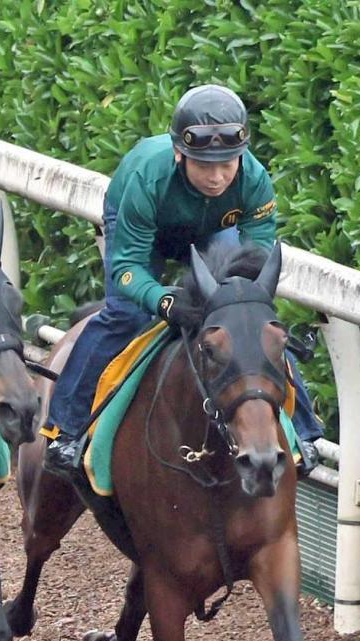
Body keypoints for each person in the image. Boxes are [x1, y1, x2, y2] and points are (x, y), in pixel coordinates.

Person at [43, 84, 323, 477]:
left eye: (228, 164)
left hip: (211, 230)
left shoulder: (255, 180)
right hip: (148, 231)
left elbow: (255, 264)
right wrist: (164, 301)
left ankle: (306, 432)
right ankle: (66, 430)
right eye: (204, 165)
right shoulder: (147, 179)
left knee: (252, 324)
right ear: (179, 153)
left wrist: (238, 301)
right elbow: (127, 269)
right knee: (125, 316)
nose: (217, 177)